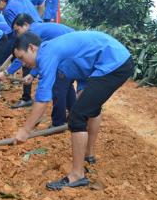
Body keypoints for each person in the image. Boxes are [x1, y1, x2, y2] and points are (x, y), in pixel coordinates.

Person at [12, 31, 134, 190]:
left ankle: (77, 175)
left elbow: (42, 99)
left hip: (113, 64)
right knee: (88, 108)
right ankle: (89, 155)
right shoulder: (50, 51)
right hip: (106, 62)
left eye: (21, 57)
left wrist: (25, 130)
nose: (22, 62)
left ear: (32, 48)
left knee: (77, 117)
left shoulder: (47, 54)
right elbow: (82, 66)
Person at [0, 13, 74, 119]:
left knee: (57, 86)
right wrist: (32, 74)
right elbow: (40, 56)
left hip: (68, 54)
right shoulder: (38, 28)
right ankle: (74, 113)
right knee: (66, 85)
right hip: (68, 53)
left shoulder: (32, 34)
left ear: (25, 25)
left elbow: (22, 58)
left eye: (17, 30)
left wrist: (6, 72)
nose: (17, 35)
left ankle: (58, 122)